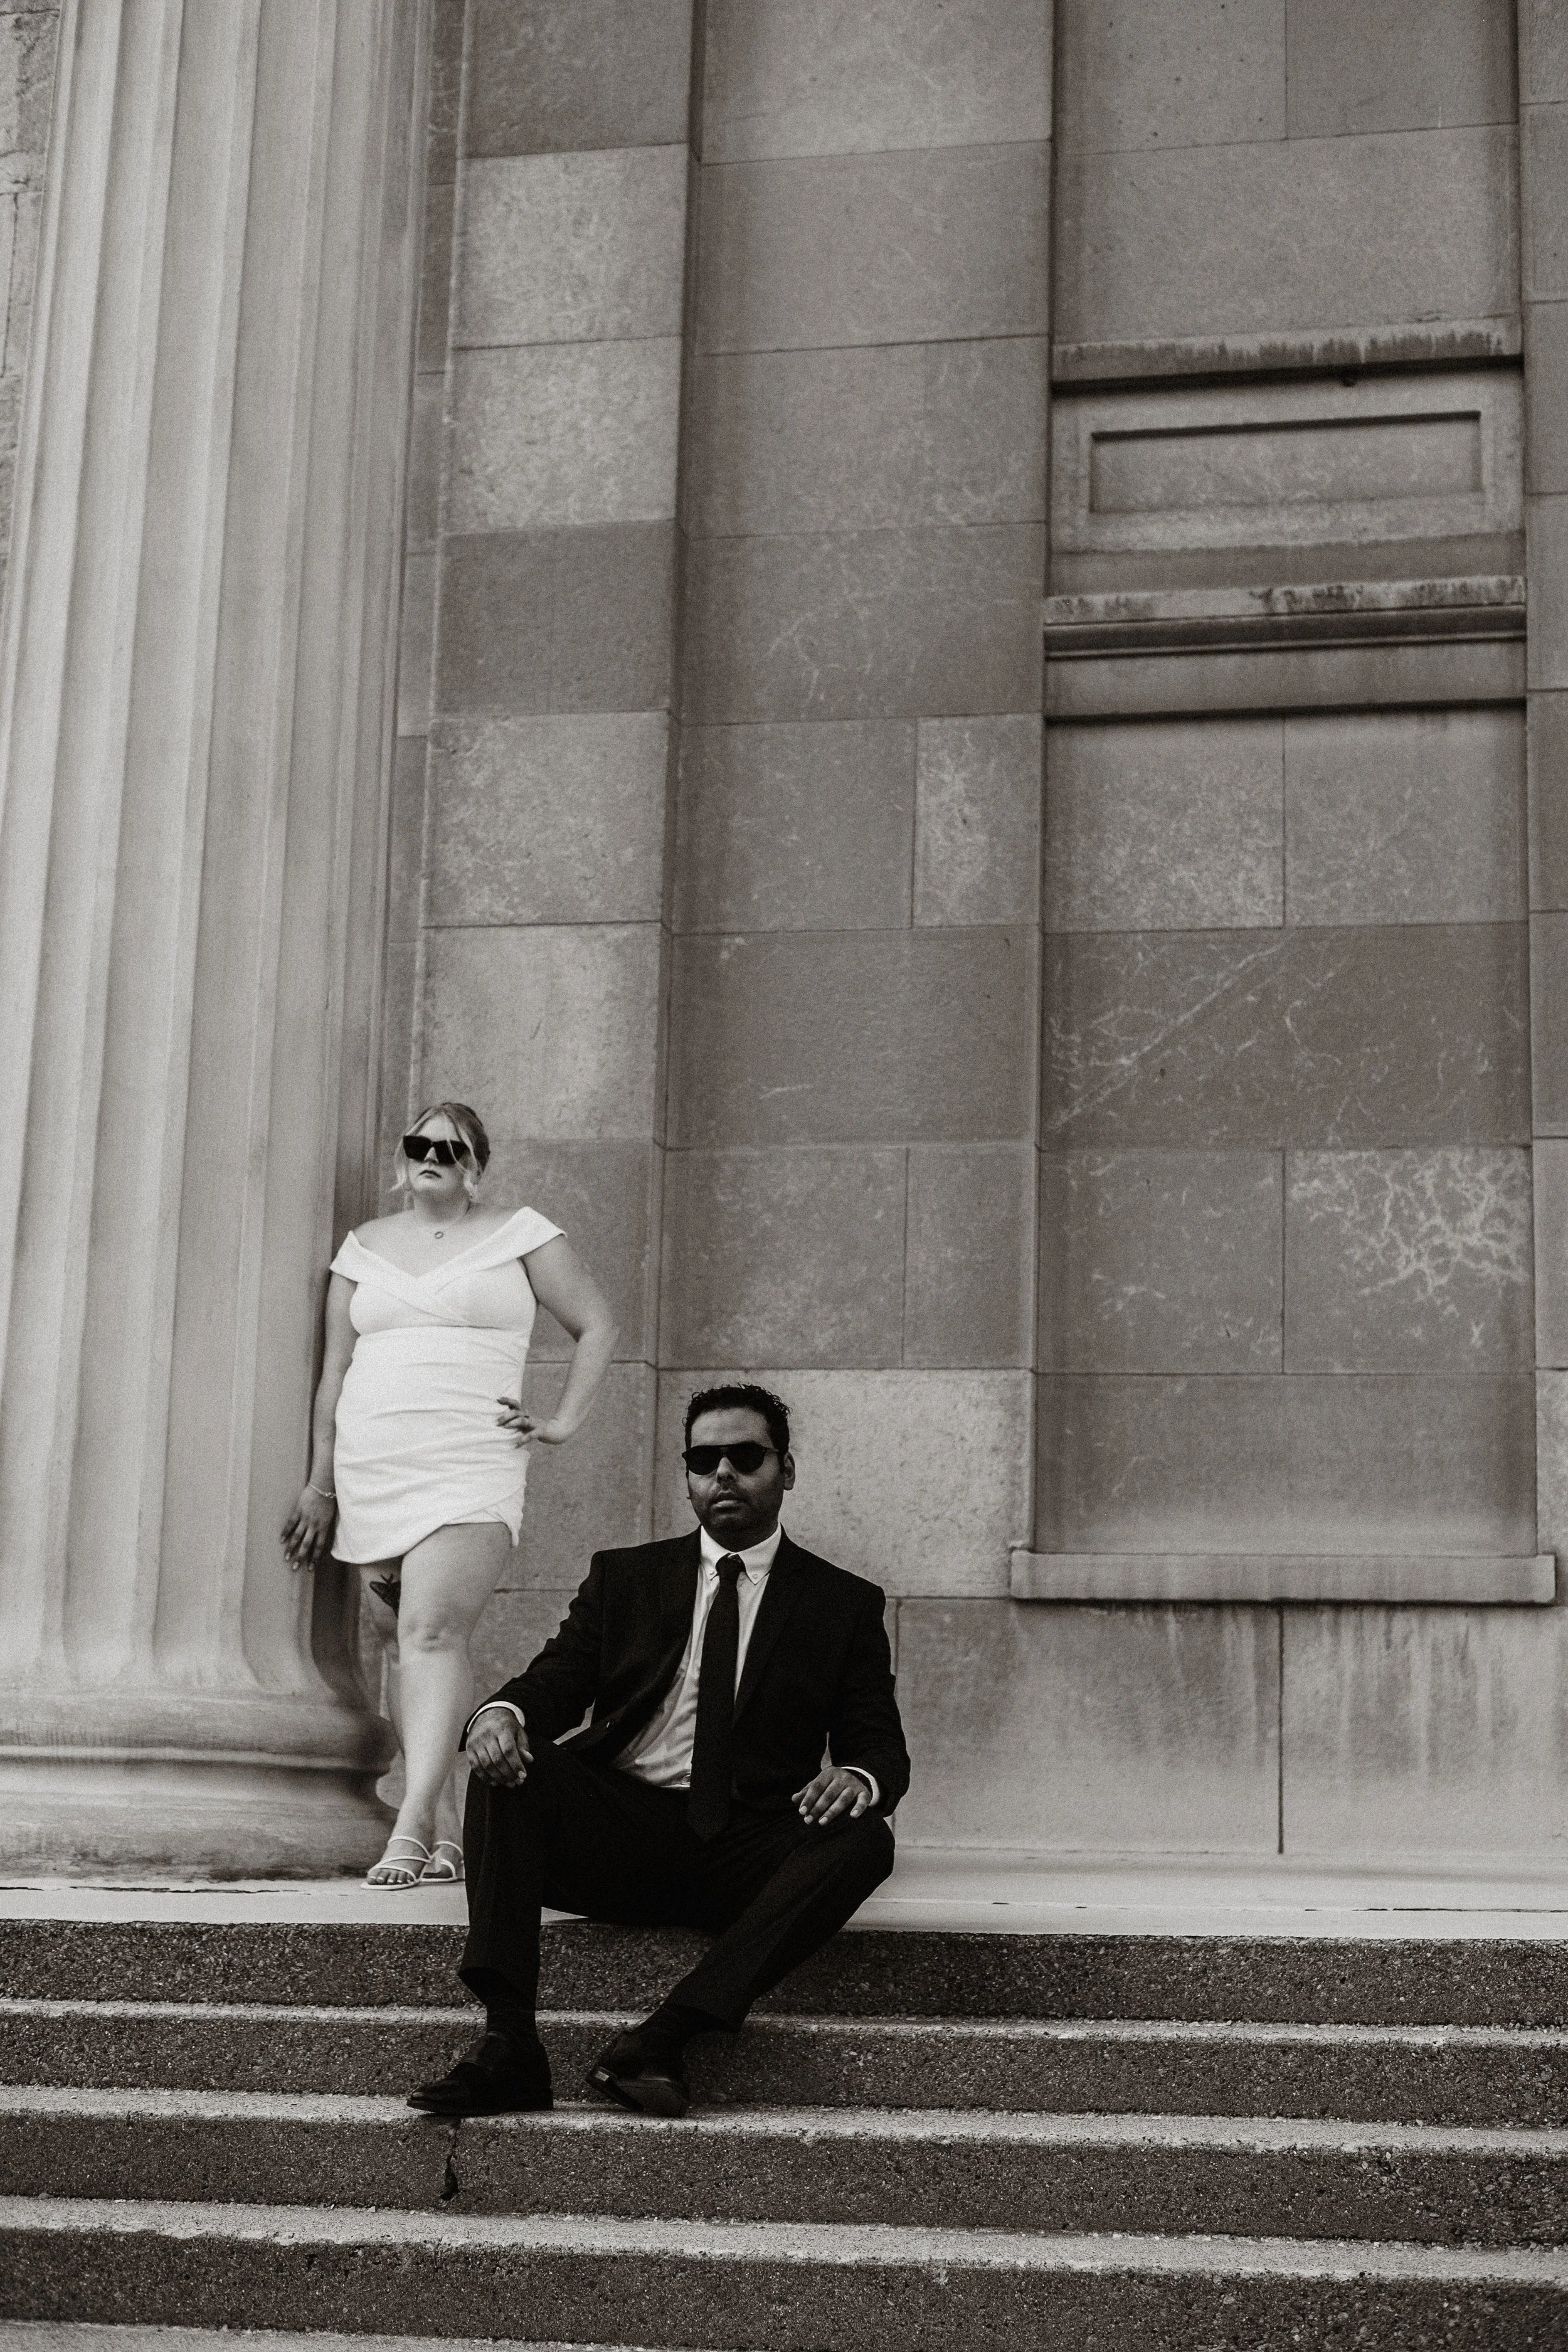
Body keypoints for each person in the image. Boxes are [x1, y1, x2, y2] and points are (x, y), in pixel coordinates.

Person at [407, 1382, 909, 2119]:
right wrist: (500, 1714)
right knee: (507, 1763)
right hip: (622, 1834)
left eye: (746, 1456)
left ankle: (664, 2038)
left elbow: (877, 1744)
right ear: (687, 1475)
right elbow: (555, 1680)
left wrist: (858, 1778)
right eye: (704, 1460)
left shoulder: (842, 1603)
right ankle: (509, 2043)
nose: (724, 1475)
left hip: (744, 1845)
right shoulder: (626, 1578)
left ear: (787, 1470)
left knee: (865, 1839)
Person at [280, 1101, 617, 1889]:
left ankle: (408, 1823)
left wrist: (562, 1423)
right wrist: (319, 1484)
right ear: (402, 1157)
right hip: (374, 1461)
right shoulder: (363, 1246)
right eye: (419, 1143)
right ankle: (448, 1831)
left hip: (469, 1459)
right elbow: (334, 1372)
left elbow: (596, 1324)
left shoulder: (522, 1234)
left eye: (450, 1146)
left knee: (432, 1633)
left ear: (475, 1164)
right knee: (401, 1643)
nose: (431, 1154)